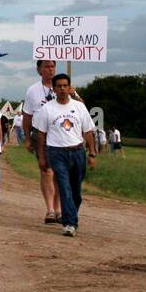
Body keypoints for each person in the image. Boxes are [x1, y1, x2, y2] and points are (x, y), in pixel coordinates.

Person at [34, 73, 97, 237]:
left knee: (76, 191)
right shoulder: (47, 109)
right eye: (59, 86)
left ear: (70, 88)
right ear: (54, 89)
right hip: (56, 152)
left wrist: (92, 153)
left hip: (77, 151)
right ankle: (69, 223)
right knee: (64, 187)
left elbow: (88, 131)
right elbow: (40, 134)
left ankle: (71, 215)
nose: (62, 89)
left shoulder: (79, 107)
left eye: (65, 86)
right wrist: (42, 157)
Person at [22, 60, 62, 224]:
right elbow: (27, 116)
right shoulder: (33, 91)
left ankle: (59, 208)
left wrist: (73, 94)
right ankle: (50, 210)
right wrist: (27, 138)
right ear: (39, 70)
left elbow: (79, 107)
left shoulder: (63, 87)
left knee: (60, 174)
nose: (50, 69)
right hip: (41, 136)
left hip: (60, 136)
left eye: (52, 66)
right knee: (47, 171)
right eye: (46, 66)